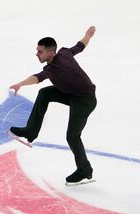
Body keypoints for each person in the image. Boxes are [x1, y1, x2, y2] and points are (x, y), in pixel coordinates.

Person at [9, 26, 97, 185]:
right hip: (72, 94)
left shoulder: (54, 68)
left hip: (84, 101)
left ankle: (85, 170)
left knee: (72, 136)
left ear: (51, 53)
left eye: (40, 51)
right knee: (45, 93)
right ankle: (31, 131)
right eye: (37, 51)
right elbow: (80, 46)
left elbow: (38, 77)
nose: (37, 54)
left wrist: (21, 83)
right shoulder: (64, 52)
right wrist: (87, 35)